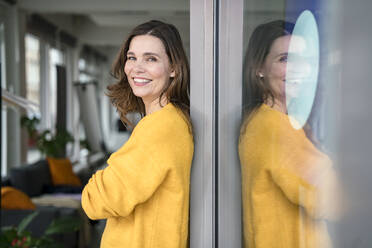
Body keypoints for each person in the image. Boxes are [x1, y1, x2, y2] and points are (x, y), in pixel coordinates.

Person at [82, 20, 193, 248]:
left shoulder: (161, 127)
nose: (137, 67)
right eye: (132, 57)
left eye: (151, 59)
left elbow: (96, 201)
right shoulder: (170, 120)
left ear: (173, 68)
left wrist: (101, 177)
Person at [239, 20, 341, 248]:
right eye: (284, 59)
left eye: (303, 60)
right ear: (260, 69)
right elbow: (333, 200)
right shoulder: (274, 127)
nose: (299, 69)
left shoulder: (264, 121)